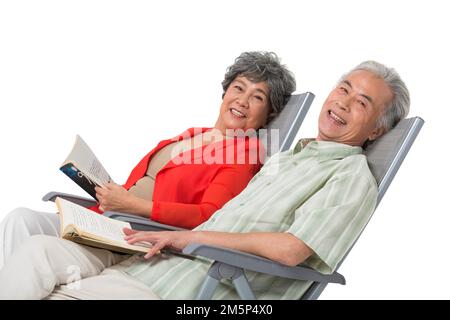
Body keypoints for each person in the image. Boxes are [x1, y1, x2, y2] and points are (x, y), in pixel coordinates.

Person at [0, 60, 410, 300]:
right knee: (35, 252)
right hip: (146, 261)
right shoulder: (287, 158)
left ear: (376, 129)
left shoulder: (350, 176)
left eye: (362, 103)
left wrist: (182, 236)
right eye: (343, 88)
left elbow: (291, 250)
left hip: (187, 289)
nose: (342, 102)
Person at [0, 51, 296, 269]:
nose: (243, 101)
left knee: (35, 253)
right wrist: (108, 192)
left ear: (267, 114)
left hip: (134, 236)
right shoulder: (195, 134)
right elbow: (145, 183)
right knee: (19, 219)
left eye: (258, 97)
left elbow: (208, 216)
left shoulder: (244, 155)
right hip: (108, 217)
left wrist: (133, 206)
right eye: (239, 88)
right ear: (225, 91)